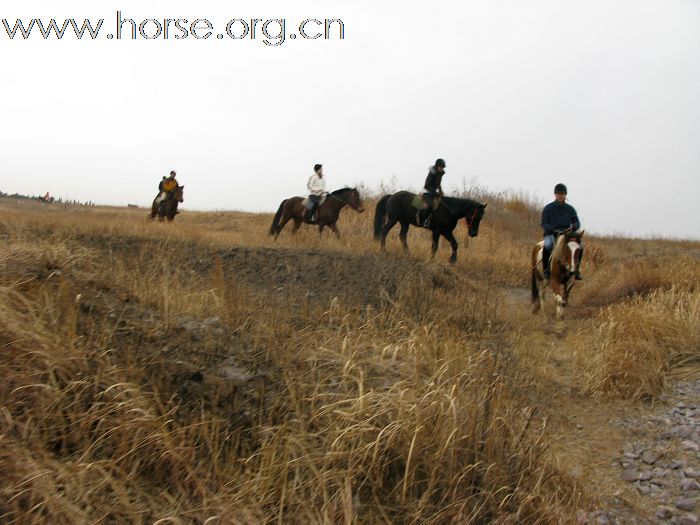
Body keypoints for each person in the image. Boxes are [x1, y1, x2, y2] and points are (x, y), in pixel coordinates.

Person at [541, 183, 583, 280]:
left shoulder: (570, 209)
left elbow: (576, 222)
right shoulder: (548, 208)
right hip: (552, 233)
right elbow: (543, 223)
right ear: (555, 195)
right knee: (547, 245)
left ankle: (577, 269)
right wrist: (550, 228)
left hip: (566, 234)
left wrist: (573, 227)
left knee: (580, 245)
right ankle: (546, 270)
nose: (560, 196)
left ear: (565, 195)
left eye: (562, 194)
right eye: (558, 194)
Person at [422, 158, 446, 227]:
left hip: (433, 193)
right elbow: (427, 185)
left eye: (443, 167)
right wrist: (435, 193)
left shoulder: (439, 174)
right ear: (437, 166)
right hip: (427, 192)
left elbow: (438, 185)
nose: (442, 168)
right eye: (441, 167)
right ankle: (425, 221)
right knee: (430, 206)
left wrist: (441, 192)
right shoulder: (431, 173)